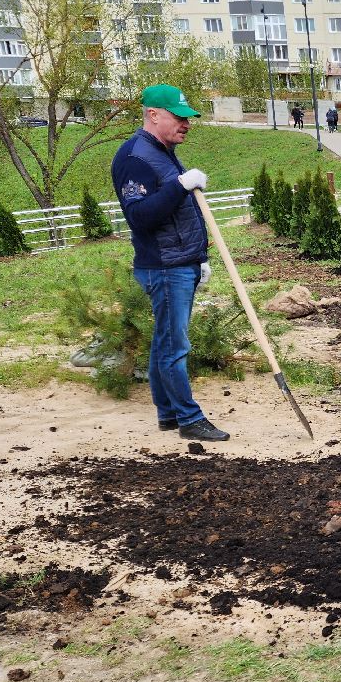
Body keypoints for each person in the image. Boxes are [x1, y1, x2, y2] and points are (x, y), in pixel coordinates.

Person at [110, 84, 229, 443]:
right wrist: (180, 185)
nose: (187, 124)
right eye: (179, 117)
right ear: (153, 115)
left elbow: (184, 215)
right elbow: (140, 217)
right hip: (164, 267)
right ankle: (190, 420)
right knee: (175, 346)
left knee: (164, 342)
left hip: (180, 262)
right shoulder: (136, 158)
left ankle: (168, 415)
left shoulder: (164, 151)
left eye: (189, 118)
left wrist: (200, 258)